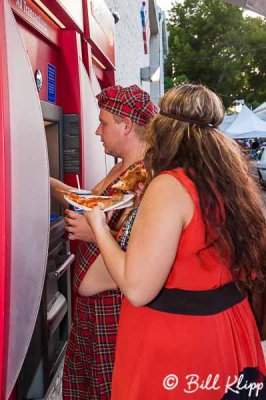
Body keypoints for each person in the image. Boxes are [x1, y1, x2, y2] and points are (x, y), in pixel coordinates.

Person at [85, 83, 266, 400]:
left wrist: (97, 225)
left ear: (163, 131)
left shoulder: (170, 185)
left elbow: (138, 288)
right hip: (228, 329)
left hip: (178, 345)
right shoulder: (226, 179)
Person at [50, 84, 157, 400]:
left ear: (126, 125)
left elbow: (145, 253)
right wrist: (45, 180)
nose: (97, 130)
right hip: (92, 309)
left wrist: (91, 232)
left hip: (115, 308)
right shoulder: (121, 169)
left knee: (110, 389)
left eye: (104, 122)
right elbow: (89, 203)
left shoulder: (146, 177)